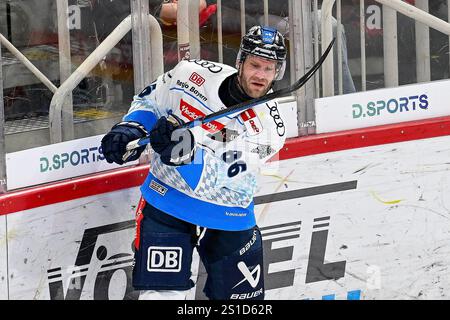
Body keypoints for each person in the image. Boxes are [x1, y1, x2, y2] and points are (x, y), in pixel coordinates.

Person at [100, 25, 287, 300]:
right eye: (255, 65)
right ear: (240, 62)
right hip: (168, 201)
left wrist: (183, 153)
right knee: (159, 298)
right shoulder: (191, 75)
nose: (260, 75)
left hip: (228, 214)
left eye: (269, 69)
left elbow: (224, 176)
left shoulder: (271, 127)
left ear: (278, 72)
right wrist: (131, 128)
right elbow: (151, 102)